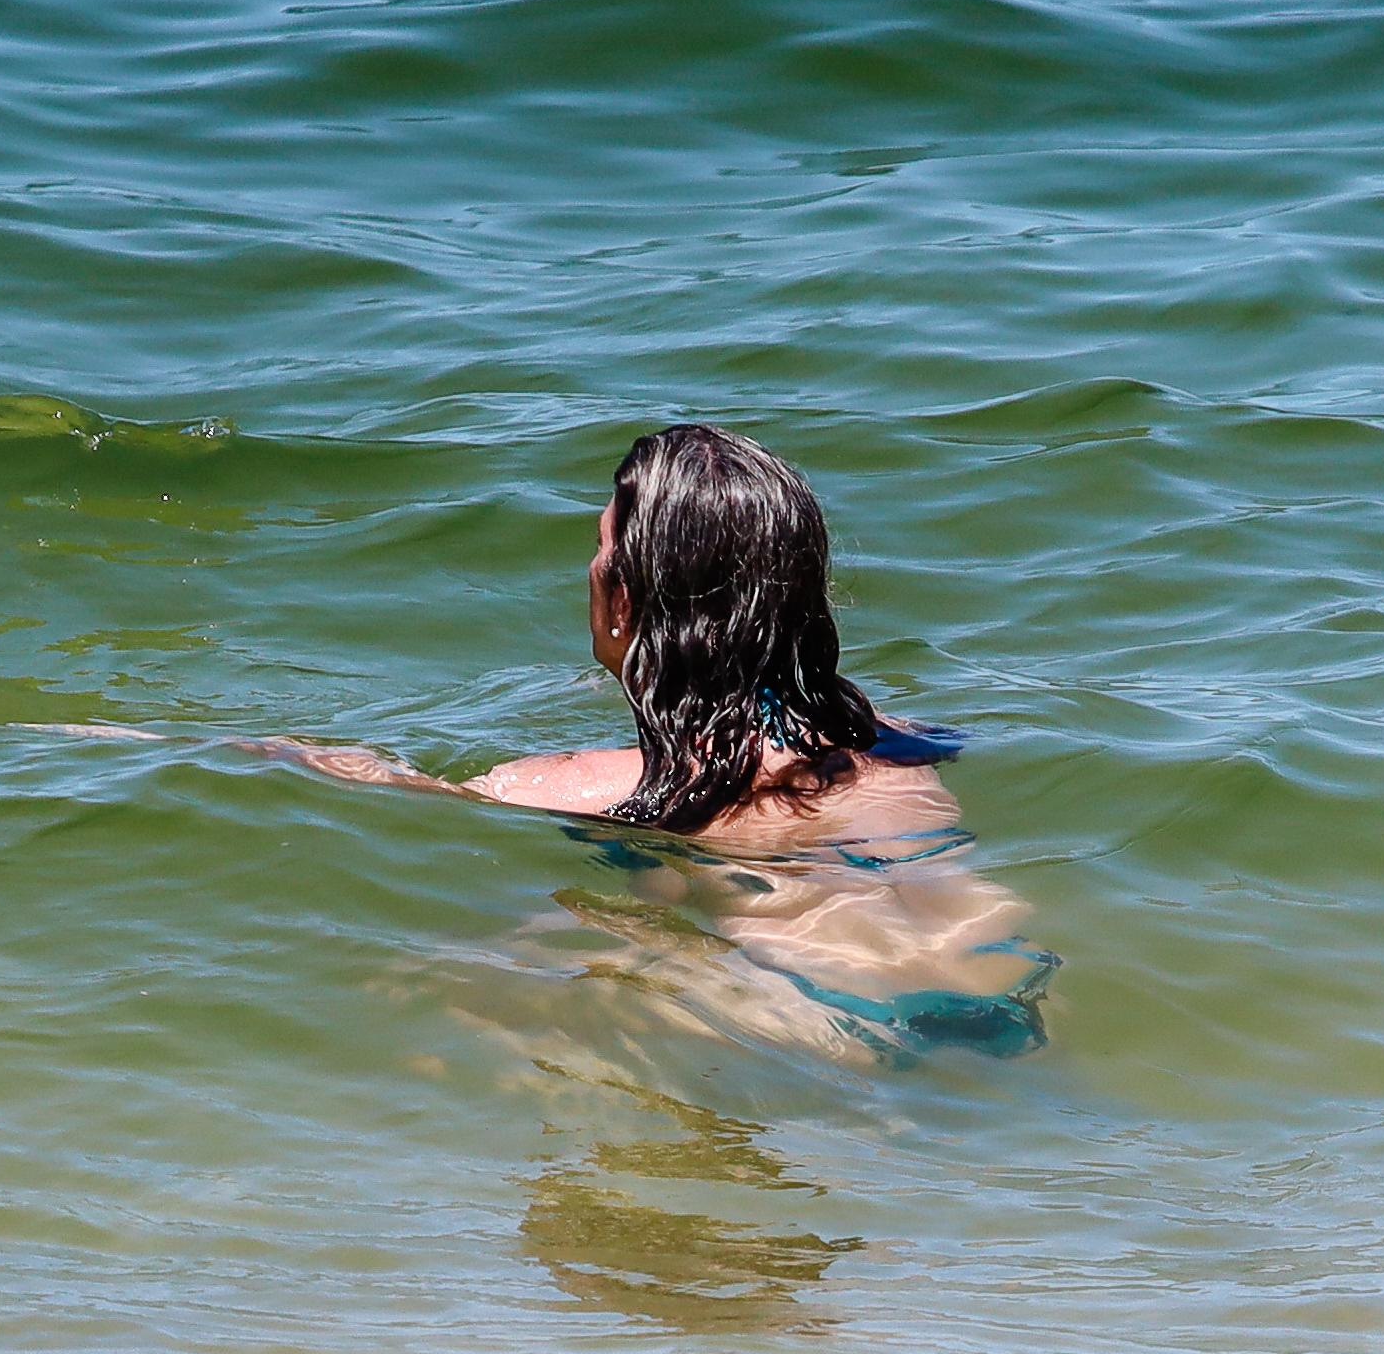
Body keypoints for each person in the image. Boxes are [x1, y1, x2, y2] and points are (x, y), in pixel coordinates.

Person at [257, 424, 1046, 1057]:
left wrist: (255, 752)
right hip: (1012, 991)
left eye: (600, 550)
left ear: (624, 601)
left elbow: (402, 794)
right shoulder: (897, 742)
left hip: (829, 1022)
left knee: (431, 976)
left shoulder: (585, 786)